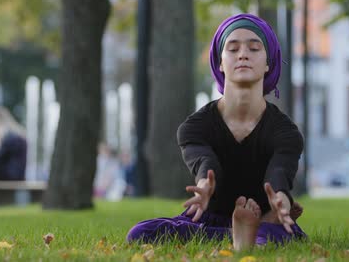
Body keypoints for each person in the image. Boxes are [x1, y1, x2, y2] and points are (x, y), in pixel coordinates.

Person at [126, 13, 306, 250]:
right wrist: (204, 186)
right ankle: (245, 236)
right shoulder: (195, 127)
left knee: (277, 232)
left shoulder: (285, 131)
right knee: (141, 232)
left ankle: (259, 230)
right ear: (220, 62)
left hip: (265, 217)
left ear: (268, 63)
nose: (243, 54)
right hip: (209, 219)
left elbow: (279, 171)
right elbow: (205, 162)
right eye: (233, 49)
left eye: (254, 48)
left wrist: (279, 199)